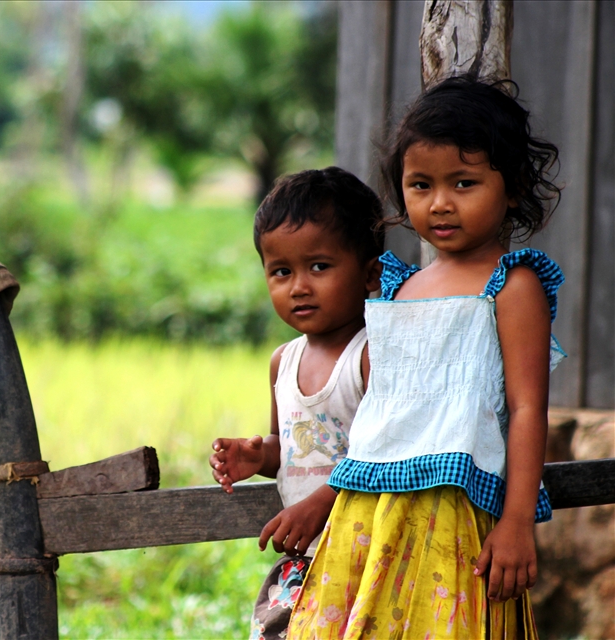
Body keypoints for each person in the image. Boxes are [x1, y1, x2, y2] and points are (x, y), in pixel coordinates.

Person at [286, 76, 565, 639]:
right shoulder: (394, 288)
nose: (440, 203)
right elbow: (382, 421)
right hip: (365, 515)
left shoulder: (511, 286)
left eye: (464, 183)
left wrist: (516, 522)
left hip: (452, 514)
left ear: (510, 189)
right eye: (420, 185)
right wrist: (327, 495)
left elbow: (528, 407)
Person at [209, 167, 384, 640]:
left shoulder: (370, 356)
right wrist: (258, 455)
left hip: (367, 558)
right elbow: (288, 445)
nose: (299, 286)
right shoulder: (282, 363)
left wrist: (319, 505)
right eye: (281, 271)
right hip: (301, 562)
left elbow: (388, 455)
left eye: (319, 267)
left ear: (371, 273)